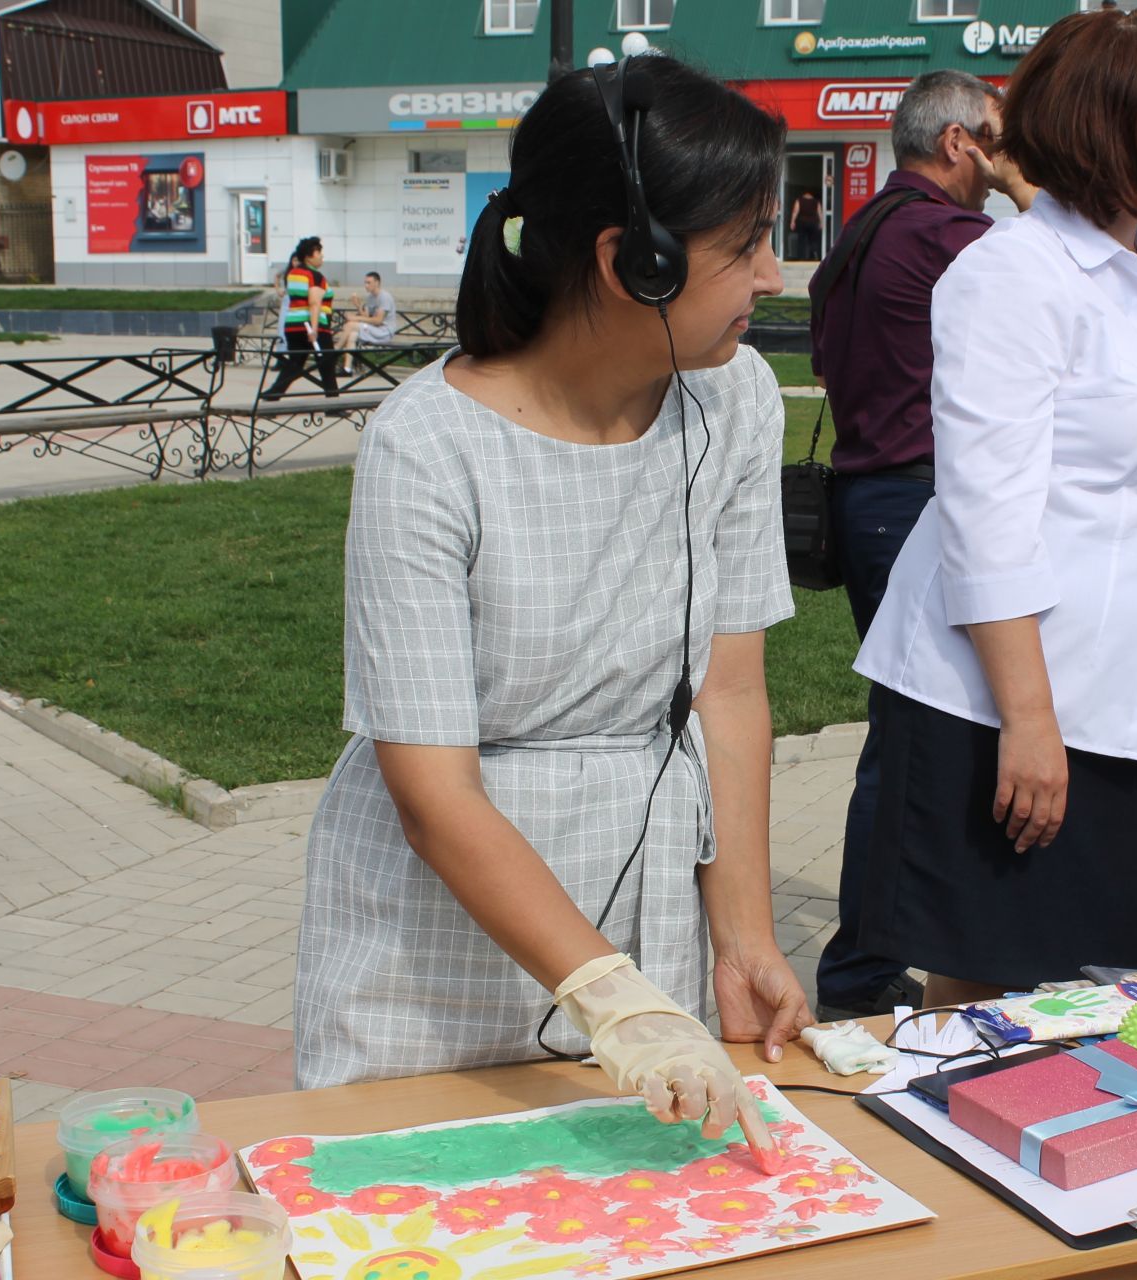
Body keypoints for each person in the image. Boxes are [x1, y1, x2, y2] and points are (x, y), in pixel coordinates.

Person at [293, 56, 810, 1148]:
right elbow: (435, 791)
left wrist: (744, 935)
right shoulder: (426, 448)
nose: (775, 275)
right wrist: (615, 1001)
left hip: (640, 929)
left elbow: (729, 688)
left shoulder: (738, 399)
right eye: (747, 244)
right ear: (640, 264)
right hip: (436, 943)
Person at [852, 9, 1137, 1009]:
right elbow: (984, 515)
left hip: (1126, 706)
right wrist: (1029, 719)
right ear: (1101, 120)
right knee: (989, 999)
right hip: (996, 702)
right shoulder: (1008, 274)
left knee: (1122, 999)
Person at [809, 68, 1035, 1023]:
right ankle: (867, 970)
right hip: (911, 504)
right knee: (917, 754)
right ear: (959, 145)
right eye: (997, 138)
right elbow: (1051, 290)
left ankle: (871, 961)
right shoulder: (951, 238)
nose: (1009, 157)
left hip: (870, 497)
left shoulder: (861, 232)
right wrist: (1028, 194)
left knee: (902, 747)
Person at [265, 237, 339, 399]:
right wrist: (314, 329)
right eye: (318, 252)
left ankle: (273, 393)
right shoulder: (315, 276)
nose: (321, 256)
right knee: (327, 363)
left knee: (295, 362)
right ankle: (333, 404)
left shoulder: (293, 274)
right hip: (315, 326)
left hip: (293, 324)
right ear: (308, 256)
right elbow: (314, 303)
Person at [334, 270, 397, 373]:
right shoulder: (370, 297)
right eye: (365, 283)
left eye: (369, 283)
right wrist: (358, 305)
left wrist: (356, 319)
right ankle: (347, 368)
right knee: (352, 335)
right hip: (374, 329)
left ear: (377, 283)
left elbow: (377, 320)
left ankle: (335, 351)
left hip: (384, 331)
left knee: (350, 325)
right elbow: (367, 317)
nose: (366, 285)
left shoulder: (384, 297)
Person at [788, 188, 822, 261]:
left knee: (801, 241)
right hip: (813, 223)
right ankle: (813, 256)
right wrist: (821, 223)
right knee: (812, 240)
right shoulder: (816, 201)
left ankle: (801, 257)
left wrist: (792, 221)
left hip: (802, 223)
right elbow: (819, 213)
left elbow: (795, 211)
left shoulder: (799, 200)